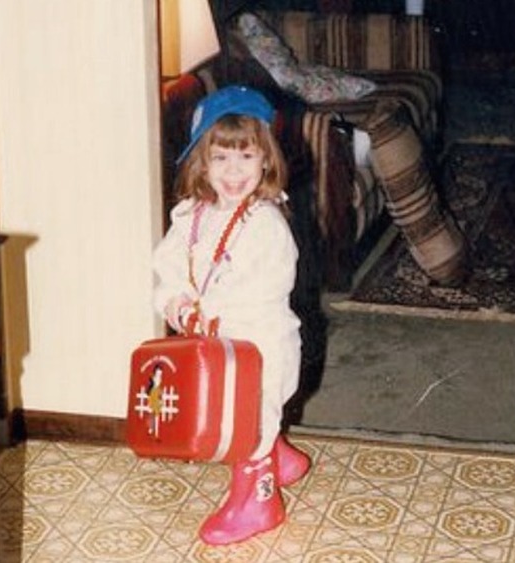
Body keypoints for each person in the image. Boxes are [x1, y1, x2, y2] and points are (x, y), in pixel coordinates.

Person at [152, 85, 311, 545]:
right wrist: (176, 301)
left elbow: (266, 286)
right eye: (220, 158)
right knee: (232, 411)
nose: (234, 171)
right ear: (202, 162)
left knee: (246, 419)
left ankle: (257, 498)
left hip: (259, 343)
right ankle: (279, 456)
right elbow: (168, 266)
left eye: (246, 156)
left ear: (266, 158)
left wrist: (212, 312)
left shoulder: (265, 223)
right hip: (213, 343)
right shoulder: (193, 215)